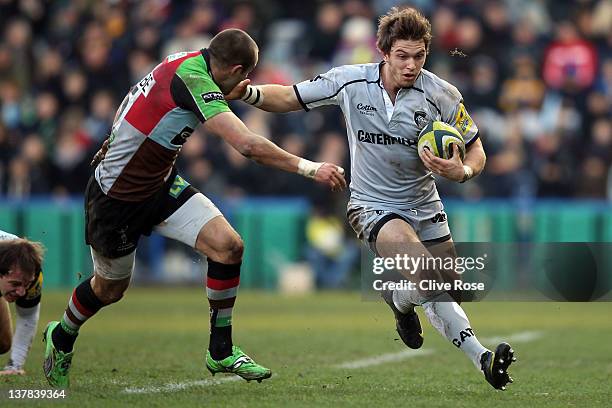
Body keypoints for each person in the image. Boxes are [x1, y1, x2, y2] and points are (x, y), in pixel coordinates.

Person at [226, 7, 515, 390]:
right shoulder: (350, 81)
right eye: (402, 56)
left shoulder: (442, 94)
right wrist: (246, 91)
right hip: (372, 206)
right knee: (424, 271)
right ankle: (483, 358)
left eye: (419, 56)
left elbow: (476, 150)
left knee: (452, 284)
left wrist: (461, 172)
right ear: (384, 52)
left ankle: (399, 300)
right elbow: (290, 96)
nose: (411, 65)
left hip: (425, 205)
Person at [42, 28, 346, 388]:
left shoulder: (187, 63)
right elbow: (247, 145)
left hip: (159, 183)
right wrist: (311, 168)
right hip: (117, 197)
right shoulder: (193, 80)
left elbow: (142, 106)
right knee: (110, 289)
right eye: (243, 75)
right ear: (235, 68)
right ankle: (62, 333)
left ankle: (221, 350)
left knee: (228, 246)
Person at [0, 230, 44, 376]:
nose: (21, 292)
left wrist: (15, 366)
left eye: (26, 284)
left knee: (3, 343)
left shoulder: (32, 272)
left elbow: (28, 317)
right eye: (15, 284)